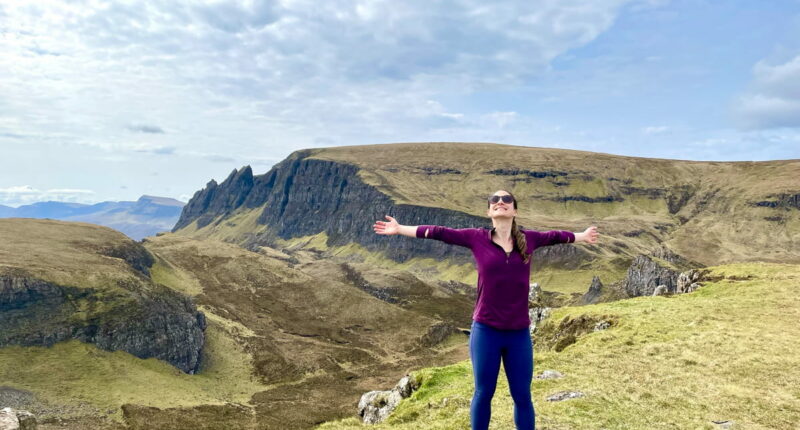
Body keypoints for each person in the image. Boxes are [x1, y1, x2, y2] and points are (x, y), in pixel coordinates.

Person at [373, 190, 599, 430]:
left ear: (514, 210)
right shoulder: (476, 238)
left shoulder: (529, 239)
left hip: (518, 334)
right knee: (483, 393)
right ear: (488, 211)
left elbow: (556, 236)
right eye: (494, 200)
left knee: (522, 396)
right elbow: (438, 232)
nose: (500, 202)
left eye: (506, 200)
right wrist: (400, 229)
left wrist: (583, 236)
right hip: (486, 331)